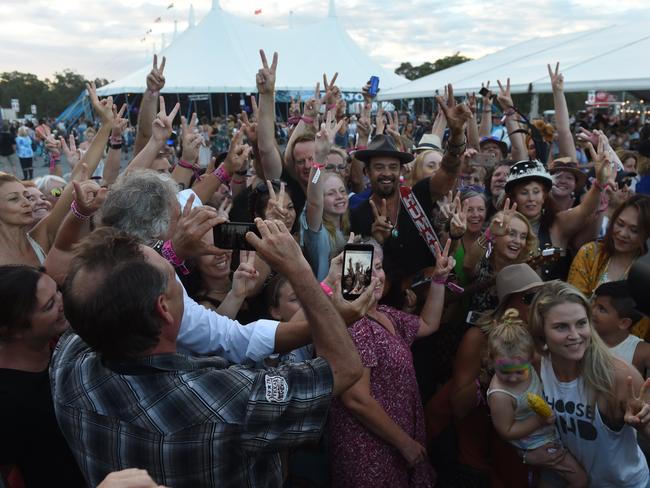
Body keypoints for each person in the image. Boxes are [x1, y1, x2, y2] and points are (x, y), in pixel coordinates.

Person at [52, 221, 363, 487]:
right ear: (164, 309)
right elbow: (344, 368)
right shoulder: (227, 397)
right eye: (173, 274)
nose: (172, 263)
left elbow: (99, 289)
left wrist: (176, 250)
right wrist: (300, 272)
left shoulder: (68, 364)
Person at [327, 238, 455, 487]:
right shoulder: (355, 324)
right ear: (343, 275)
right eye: (363, 268)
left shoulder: (384, 313)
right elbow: (355, 399)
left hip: (393, 447)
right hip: (368, 453)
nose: (375, 276)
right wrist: (404, 443)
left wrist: (439, 279)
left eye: (378, 267)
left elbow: (427, 325)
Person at [528, 280, 650, 487]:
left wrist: (644, 422)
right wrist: (527, 454)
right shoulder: (538, 366)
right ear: (541, 332)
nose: (575, 336)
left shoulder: (619, 377)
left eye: (581, 323)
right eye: (561, 327)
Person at [449, 263, 543, 487]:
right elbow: (459, 407)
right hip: (486, 453)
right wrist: (490, 370)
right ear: (509, 302)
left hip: (529, 451)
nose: (540, 305)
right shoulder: (479, 338)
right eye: (530, 298)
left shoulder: (540, 335)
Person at [0, 265, 84, 487]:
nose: (62, 301)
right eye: (50, 306)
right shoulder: (8, 403)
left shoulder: (61, 341)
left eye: (57, 290)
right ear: (13, 330)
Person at [486, 309, 588, 487]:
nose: (513, 378)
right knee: (580, 480)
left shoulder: (534, 362)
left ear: (530, 358)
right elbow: (506, 431)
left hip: (551, 429)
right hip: (536, 442)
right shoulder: (500, 395)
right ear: (491, 360)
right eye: (504, 371)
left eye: (520, 371)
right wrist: (539, 420)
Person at [591, 281, 650, 375]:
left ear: (624, 323)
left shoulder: (640, 351)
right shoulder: (582, 339)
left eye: (602, 309)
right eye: (594, 304)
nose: (593, 311)